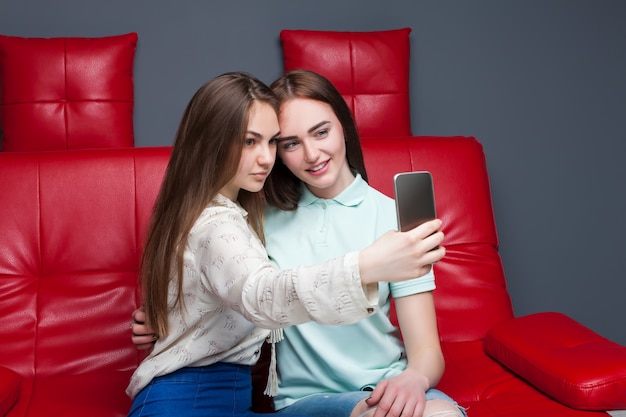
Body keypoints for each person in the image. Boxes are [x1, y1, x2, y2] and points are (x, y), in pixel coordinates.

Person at [126, 71, 445, 417]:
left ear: (344, 126)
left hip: (381, 384)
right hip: (299, 402)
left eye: (322, 132)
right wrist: (172, 313)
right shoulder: (255, 218)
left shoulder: (392, 217)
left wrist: (414, 378)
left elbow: (426, 346)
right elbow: (254, 287)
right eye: (290, 143)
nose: (312, 154)